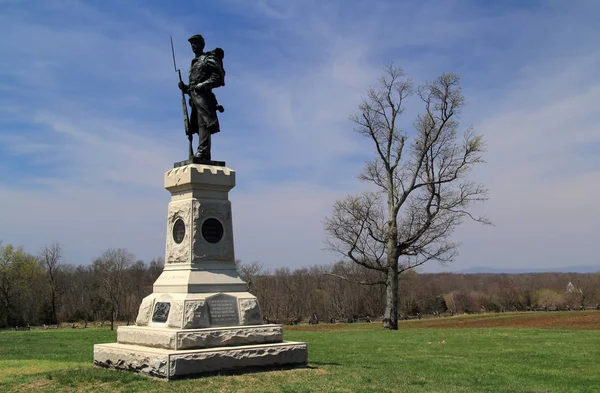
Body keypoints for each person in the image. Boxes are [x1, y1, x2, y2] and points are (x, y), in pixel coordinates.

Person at [178, 34, 225, 160]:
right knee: (198, 127)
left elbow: (218, 78)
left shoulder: (206, 59)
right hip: (195, 99)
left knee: (204, 124)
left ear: (201, 45)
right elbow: (194, 85)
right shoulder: (194, 62)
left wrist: (203, 86)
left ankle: (202, 152)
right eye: (192, 44)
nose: (193, 45)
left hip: (204, 98)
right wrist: (186, 88)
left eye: (195, 43)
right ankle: (205, 154)